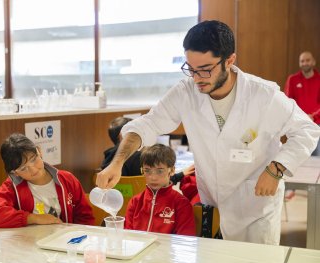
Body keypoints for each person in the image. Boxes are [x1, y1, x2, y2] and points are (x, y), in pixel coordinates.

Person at [96, 20, 320, 245]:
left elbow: (308, 130)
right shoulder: (186, 92)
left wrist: (276, 169)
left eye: (205, 70)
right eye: (191, 69)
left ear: (230, 60)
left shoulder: (263, 95)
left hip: (255, 208)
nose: (196, 78)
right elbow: (148, 124)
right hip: (213, 205)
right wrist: (117, 162)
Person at [0, 133, 94, 228]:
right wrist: (33, 218)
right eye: (23, 168)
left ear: (39, 151)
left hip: (66, 242)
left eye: (34, 159)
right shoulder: (11, 186)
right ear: (15, 173)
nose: (33, 169)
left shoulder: (67, 179)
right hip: (31, 244)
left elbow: (85, 217)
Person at [102, 116, 198, 200]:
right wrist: (181, 174)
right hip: (142, 204)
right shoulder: (139, 157)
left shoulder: (106, 161)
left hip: (114, 206)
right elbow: (157, 180)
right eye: (136, 133)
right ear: (123, 136)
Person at [125, 144, 196, 236]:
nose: (153, 177)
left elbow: (185, 242)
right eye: (147, 170)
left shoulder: (181, 204)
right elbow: (128, 237)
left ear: (172, 170)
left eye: (160, 171)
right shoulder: (135, 202)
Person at [284, 51, 320, 200]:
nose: (305, 63)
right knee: (295, 158)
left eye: (307, 60)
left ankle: (316, 191)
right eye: (302, 61)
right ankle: (290, 189)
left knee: (317, 160)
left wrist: (313, 116)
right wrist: (302, 117)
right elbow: (288, 102)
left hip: (317, 125)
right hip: (298, 126)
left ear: (313, 62)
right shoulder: (293, 79)